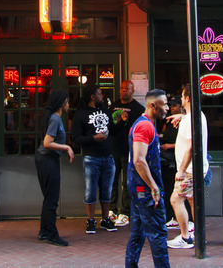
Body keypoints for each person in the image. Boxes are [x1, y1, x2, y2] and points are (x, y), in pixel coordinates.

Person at [125, 89, 170, 268]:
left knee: (138, 234)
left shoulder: (143, 124)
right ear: (153, 105)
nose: (167, 108)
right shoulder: (145, 126)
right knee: (158, 234)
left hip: (138, 189)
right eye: (164, 104)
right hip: (145, 191)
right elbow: (138, 160)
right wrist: (154, 187)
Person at [167, 84, 209, 249]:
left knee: (175, 200)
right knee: (192, 201)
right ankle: (199, 235)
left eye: (183, 97)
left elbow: (191, 148)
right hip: (195, 169)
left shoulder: (193, 118)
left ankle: (186, 237)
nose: (181, 100)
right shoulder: (195, 116)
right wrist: (180, 117)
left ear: (188, 98)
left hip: (190, 170)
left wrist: (182, 170)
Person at [72, 84, 117, 234]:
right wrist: (93, 138)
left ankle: (105, 219)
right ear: (92, 96)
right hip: (91, 157)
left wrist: (121, 120)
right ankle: (91, 220)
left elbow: (114, 131)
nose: (102, 96)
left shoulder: (105, 111)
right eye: (99, 93)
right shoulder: (80, 115)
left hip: (108, 156)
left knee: (107, 190)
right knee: (90, 190)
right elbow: (76, 138)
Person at [35, 90, 74, 247]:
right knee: (52, 199)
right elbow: (47, 142)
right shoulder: (55, 120)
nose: (69, 104)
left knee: (48, 198)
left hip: (45, 160)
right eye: (67, 101)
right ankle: (51, 235)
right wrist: (66, 147)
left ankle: (44, 231)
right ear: (61, 104)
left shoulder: (54, 118)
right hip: (48, 160)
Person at [108, 80, 145, 227]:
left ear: (133, 90)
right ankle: (111, 210)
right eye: (122, 88)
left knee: (126, 182)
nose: (124, 91)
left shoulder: (138, 109)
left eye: (127, 89)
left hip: (129, 149)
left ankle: (125, 212)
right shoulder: (113, 106)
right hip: (113, 148)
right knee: (112, 180)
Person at [159, 95, 180, 225]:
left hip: (177, 160)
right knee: (168, 189)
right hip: (167, 159)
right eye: (170, 105)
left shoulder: (184, 122)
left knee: (178, 192)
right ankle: (170, 216)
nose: (171, 108)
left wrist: (172, 145)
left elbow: (191, 142)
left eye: (174, 105)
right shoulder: (169, 121)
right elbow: (166, 135)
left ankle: (183, 219)